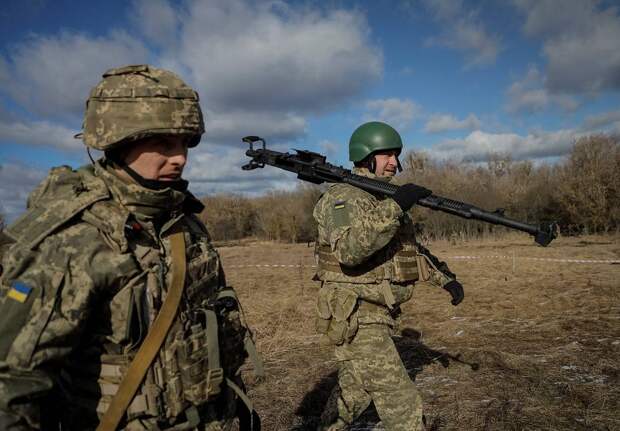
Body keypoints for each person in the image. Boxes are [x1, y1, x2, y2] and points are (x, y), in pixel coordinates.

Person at [0, 64, 261, 430]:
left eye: (185, 143)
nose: (180, 157)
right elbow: (12, 384)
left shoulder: (183, 222)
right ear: (119, 140)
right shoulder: (73, 239)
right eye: (163, 143)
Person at [313, 121, 464, 431]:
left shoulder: (381, 198)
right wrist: (395, 207)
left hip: (378, 313)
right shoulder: (345, 197)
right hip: (356, 314)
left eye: (396, 155)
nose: (394, 162)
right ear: (366, 156)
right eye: (387, 155)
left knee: (352, 395)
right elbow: (349, 250)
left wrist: (444, 278)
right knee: (401, 403)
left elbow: (406, 252)